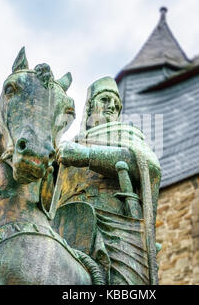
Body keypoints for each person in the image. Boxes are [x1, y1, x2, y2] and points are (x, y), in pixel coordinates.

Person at [52, 76, 161, 285]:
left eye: (116, 104)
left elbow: (149, 166)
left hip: (114, 230)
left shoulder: (127, 134)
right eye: (105, 100)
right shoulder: (68, 146)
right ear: (90, 106)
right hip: (65, 226)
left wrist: (85, 156)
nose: (111, 106)